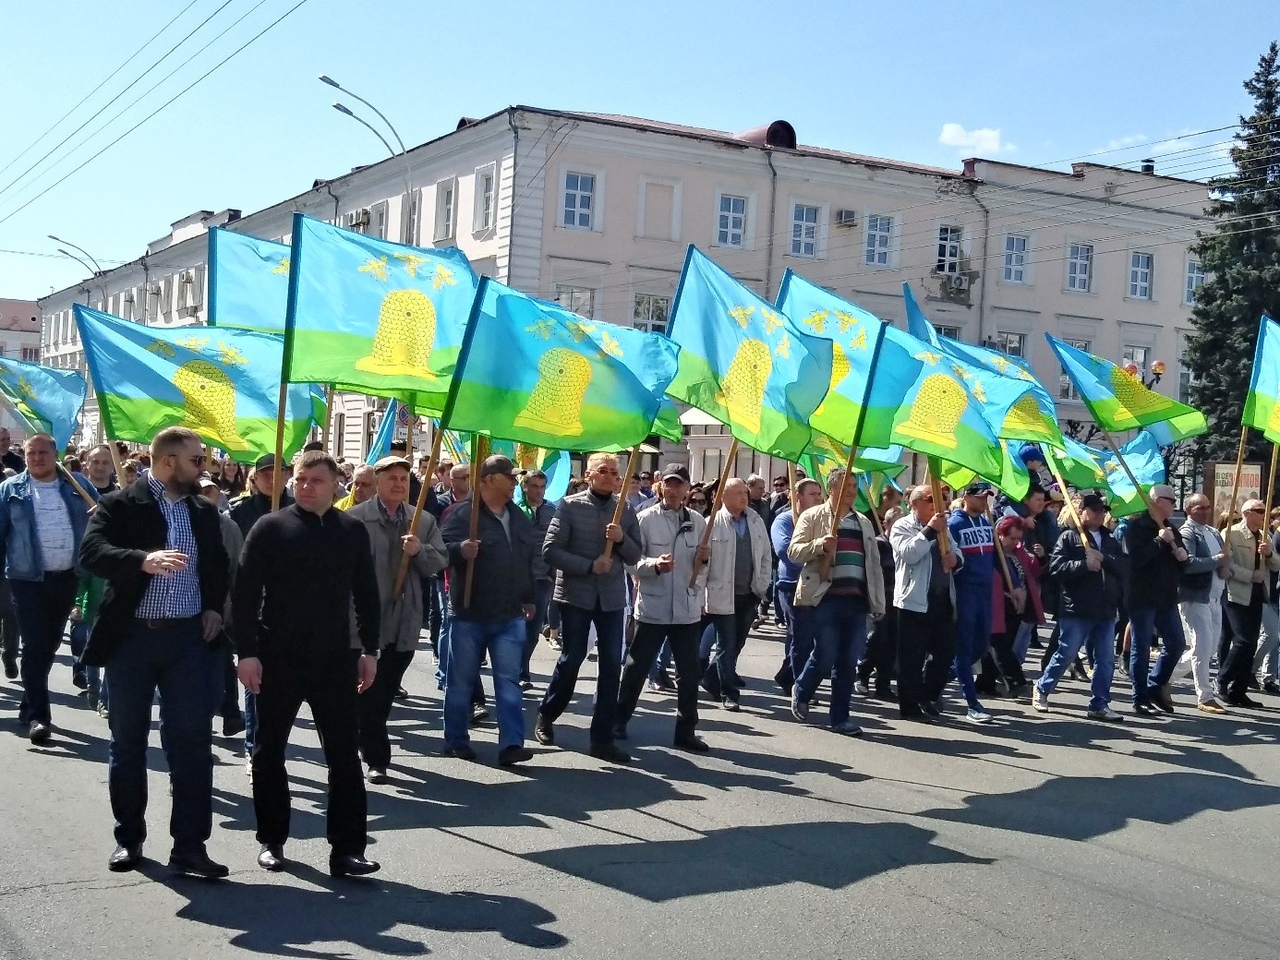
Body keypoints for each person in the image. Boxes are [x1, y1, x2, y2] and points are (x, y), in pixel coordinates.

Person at [78, 427, 228, 877]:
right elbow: (91, 552)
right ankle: (130, 838)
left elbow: (217, 565)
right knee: (128, 743)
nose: (205, 467)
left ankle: (190, 847)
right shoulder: (122, 504)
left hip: (186, 640)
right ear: (168, 463)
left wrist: (214, 609)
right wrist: (140, 560)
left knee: (192, 745)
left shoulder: (203, 511)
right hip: (132, 640)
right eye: (197, 460)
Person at [232, 450, 382, 877]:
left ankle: (347, 849)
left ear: (336, 484)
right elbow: (243, 596)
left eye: (316, 480)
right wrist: (246, 653)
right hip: (278, 656)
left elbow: (366, 595)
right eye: (300, 479)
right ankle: (272, 839)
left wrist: (370, 651)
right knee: (269, 751)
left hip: (335, 658)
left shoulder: (351, 530)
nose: (306, 486)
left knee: (343, 756)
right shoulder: (270, 527)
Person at [345, 456, 447, 781]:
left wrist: (420, 552)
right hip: (363, 622)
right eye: (392, 478)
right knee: (366, 691)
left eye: (404, 479)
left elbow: (438, 564)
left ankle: (368, 740)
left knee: (384, 690)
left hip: (404, 620)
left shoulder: (423, 521)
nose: (399, 484)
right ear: (378, 482)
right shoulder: (355, 519)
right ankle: (377, 757)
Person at [536, 452, 642, 763]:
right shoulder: (570, 506)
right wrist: (588, 565)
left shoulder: (625, 510)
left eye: (614, 472)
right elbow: (550, 551)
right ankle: (547, 712)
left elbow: (635, 555)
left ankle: (602, 738)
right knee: (572, 659)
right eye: (603, 471)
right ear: (590, 476)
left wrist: (621, 540)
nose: (610, 476)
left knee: (611, 666)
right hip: (576, 595)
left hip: (610, 598)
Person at [0, 434, 98, 742]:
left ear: (55, 454)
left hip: (67, 576)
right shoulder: (10, 490)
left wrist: (101, 515)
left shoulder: (76, 484)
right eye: (32, 453)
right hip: (26, 578)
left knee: (51, 643)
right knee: (34, 643)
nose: (38, 457)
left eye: (44, 452)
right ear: (25, 456)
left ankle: (30, 701)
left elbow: (104, 516)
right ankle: (40, 717)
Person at [440, 455, 536, 765]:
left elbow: (525, 561)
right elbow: (439, 552)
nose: (515, 481)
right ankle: (456, 739)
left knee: (508, 682)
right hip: (469, 613)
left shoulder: (518, 516)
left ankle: (511, 744)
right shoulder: (461, 515)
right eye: (510, 476)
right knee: (461, 680)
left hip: (508, 614)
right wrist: (460, 550)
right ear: (490, 479)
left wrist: (529, 597)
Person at [616, 464, 711, 751]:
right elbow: (631, 561)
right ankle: (618, 721)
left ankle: (686, 731)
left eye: (679, 485)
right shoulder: (644, 519)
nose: (674, 490)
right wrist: (654, 566)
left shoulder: (699, 522)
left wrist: (703, 563)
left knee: (689, 672)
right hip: (653, 607)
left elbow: (706, 567)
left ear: (687, 489)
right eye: (669, 484)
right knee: (636, 667)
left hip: (686, 609)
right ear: (661, 487)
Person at [786, 468, 885, 735]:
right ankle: (803, 688)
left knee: (848, 661)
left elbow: (873, 565)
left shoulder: (863, 522)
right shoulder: (813, 516)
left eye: (855, 486)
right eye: (847, 486)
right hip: (825, 598)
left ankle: (840, 718)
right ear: (832, 489)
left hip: (856, 600)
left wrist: (877, 602)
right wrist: (820, 544)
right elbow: (794, 552)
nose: (853, 491)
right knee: (826, 654)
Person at [1033, 494, 1125, 721]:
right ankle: (1042, 688)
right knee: (1066, 653)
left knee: (1105, 660)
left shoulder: (1110, 538)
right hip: (1077, 608)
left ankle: (1099, 703)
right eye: (1093, 510)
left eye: (1102, 510)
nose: (1099, 514)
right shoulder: (1069, 537)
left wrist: (1104, 559)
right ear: (1081, 512)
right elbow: (1056, 568)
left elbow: (1124, 567)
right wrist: (1084, 565)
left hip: (1105, 609)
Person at [890, 485, 962, 722]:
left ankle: (927, 693)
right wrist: (930, 530)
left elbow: (956, 551)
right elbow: (909, 554)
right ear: (914, 503)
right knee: (911, 656)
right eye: (931, 499)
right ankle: (909, 706)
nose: (937, 504)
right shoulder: (902, 526)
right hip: (914, 600)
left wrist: (955, 558)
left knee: (946, 651)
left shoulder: (943, 527)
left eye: (941, 499)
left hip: (941, 598)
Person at [703, 477, 771, 711]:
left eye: (745, 492)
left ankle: (712, 678)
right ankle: (728, 693)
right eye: (738, 493)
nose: (744, 497)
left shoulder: (755, 520)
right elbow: (703, 564)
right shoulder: (711, 523)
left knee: (738, 643)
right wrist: (701, 594)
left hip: (749, 593)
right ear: (723, 498)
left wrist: (762, 584)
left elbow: (765, 556)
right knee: (726, 644)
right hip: (723, 594)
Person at [1123, 484, 1189, 716]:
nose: (1174, 505)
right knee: (1141, 648)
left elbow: (1182, 563)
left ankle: (1155, 684)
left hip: (1166, 596)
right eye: (1171, 500)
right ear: (1157, 501)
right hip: (1142, 596)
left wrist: (1182, 556)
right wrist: (1159, 542)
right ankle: (1139, 698)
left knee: (1177, 643)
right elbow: (1135, 560)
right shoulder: (1137, 527)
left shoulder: (1172, 528)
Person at [197, 476, 247, 738]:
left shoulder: (228, 527)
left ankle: (230, 713)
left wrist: (231, 604)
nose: (206, 495)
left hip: (222, 607)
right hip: (189, 609)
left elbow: (237, 569)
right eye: (202, 490)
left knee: (223, 663)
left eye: (211, 491)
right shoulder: (185, 522)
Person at [1219, 497, 1280, 708]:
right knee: (1243, 640)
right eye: (1259, 510)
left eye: (1264, 510)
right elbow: (1228, 564)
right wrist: (1250, 575)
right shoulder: (1231, 533)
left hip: (1257, 595)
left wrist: (1269, 553)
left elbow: (1276, 565)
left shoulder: (1265, 536)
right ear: (1246, 513)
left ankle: (1239, 690)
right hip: (1235, 594)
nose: (1264, 514)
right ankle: (1222, 680)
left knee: (1251, 643)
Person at [1174, 494, 1231, 714]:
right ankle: (1205, 696)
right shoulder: (1188, 533)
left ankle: (1162, 678)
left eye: (1208, 507)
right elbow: (1188, 563)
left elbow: (1223, 559)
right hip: (1195, 597)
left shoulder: (1214, 532)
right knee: (1202, 646)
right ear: (1189, 510)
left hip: (1215, 597)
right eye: (1200, 507)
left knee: (1207, 649)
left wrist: (1226, 568)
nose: (1206, 511)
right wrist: (1217, 561)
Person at [948, 482, 998, 724]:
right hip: (964, 592)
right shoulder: (954, 524)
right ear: (966, 497)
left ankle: (941, 677)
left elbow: (995, 560)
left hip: (985, 593)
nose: (984, 501)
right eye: (980, 497)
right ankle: (972, 703)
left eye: (986, 497)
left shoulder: (987, 525)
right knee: (965, 647)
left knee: (982, 644)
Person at [771, 478, 823, 695]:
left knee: (807, 637)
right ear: (798, 496)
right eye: (813, 494)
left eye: (820, 494)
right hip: (792, 584)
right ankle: (800, 685)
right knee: (802, 637)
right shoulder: (784, 521)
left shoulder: (820, 521)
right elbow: (785, 550)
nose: (818, 498)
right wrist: (816, 554)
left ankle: (787, 675)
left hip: (817, 584)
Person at [518, 468, 556, 690]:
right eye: (534, 486)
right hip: (517, 577)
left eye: (542, 486)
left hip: (542, 578)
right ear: (525, 487)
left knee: (532, 630)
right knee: (515, 627)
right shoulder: (515, 510)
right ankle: (514, 670)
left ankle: (523, 669)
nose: (539, 491)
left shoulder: (552, 510)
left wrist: (554, 571)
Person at [229, 454, 293, 539]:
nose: (272, 480)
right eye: (266, 475)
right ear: (255, 478)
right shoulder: (239, 511)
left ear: (286, 476)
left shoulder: (298, 509)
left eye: (277, 474)